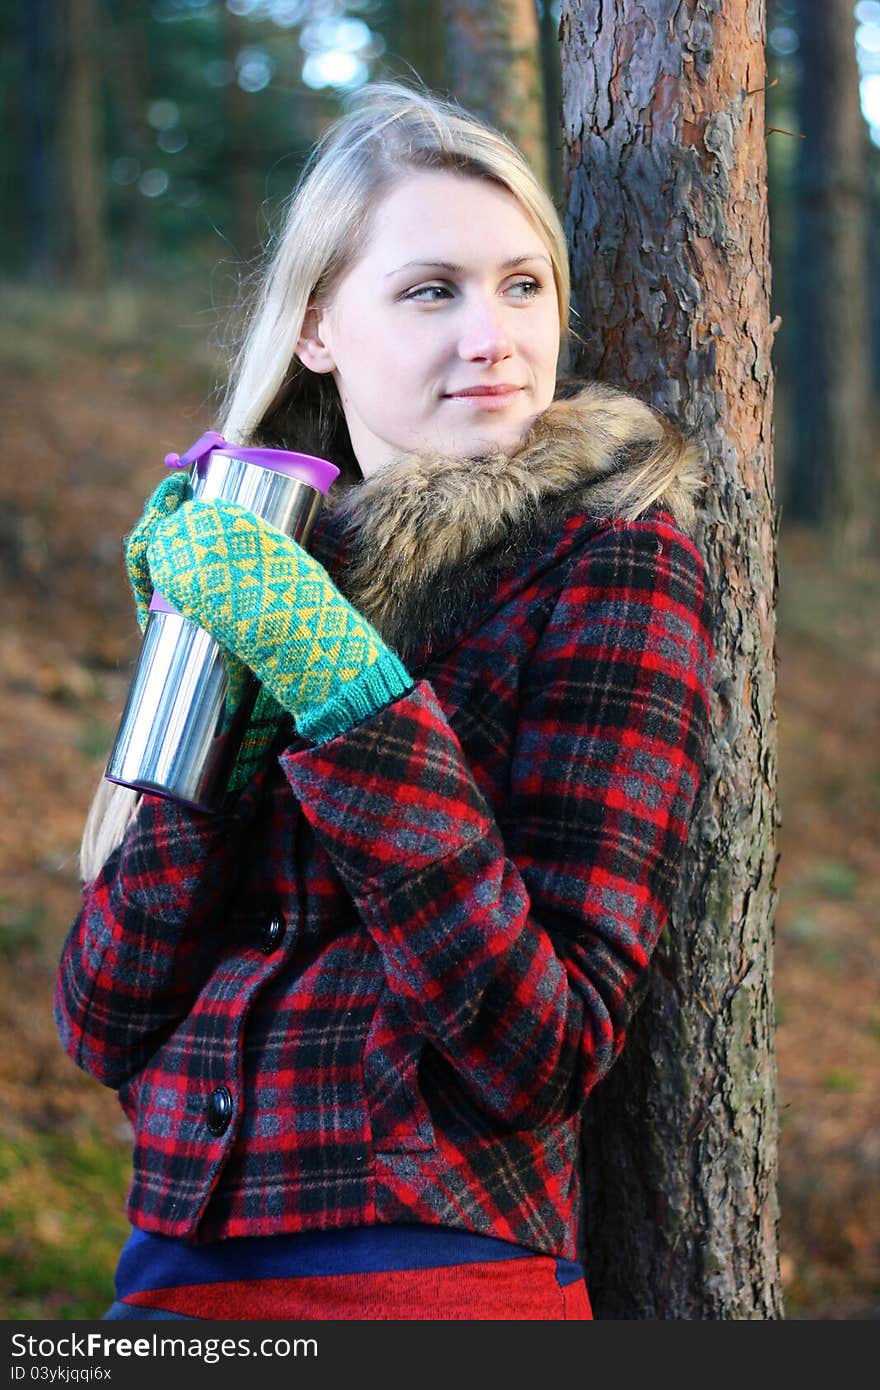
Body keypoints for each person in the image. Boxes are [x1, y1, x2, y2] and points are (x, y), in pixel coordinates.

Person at [55, 80, 713, 1322]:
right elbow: (103, 1016)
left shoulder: (608, 558)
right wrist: (221, 712)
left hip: (430, 1274)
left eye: (524, 285)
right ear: (315, 325)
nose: (494, 337)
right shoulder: (254, 564)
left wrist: (350, 700)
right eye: (432, 290)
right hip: (169, 1278)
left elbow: (544, 1047)